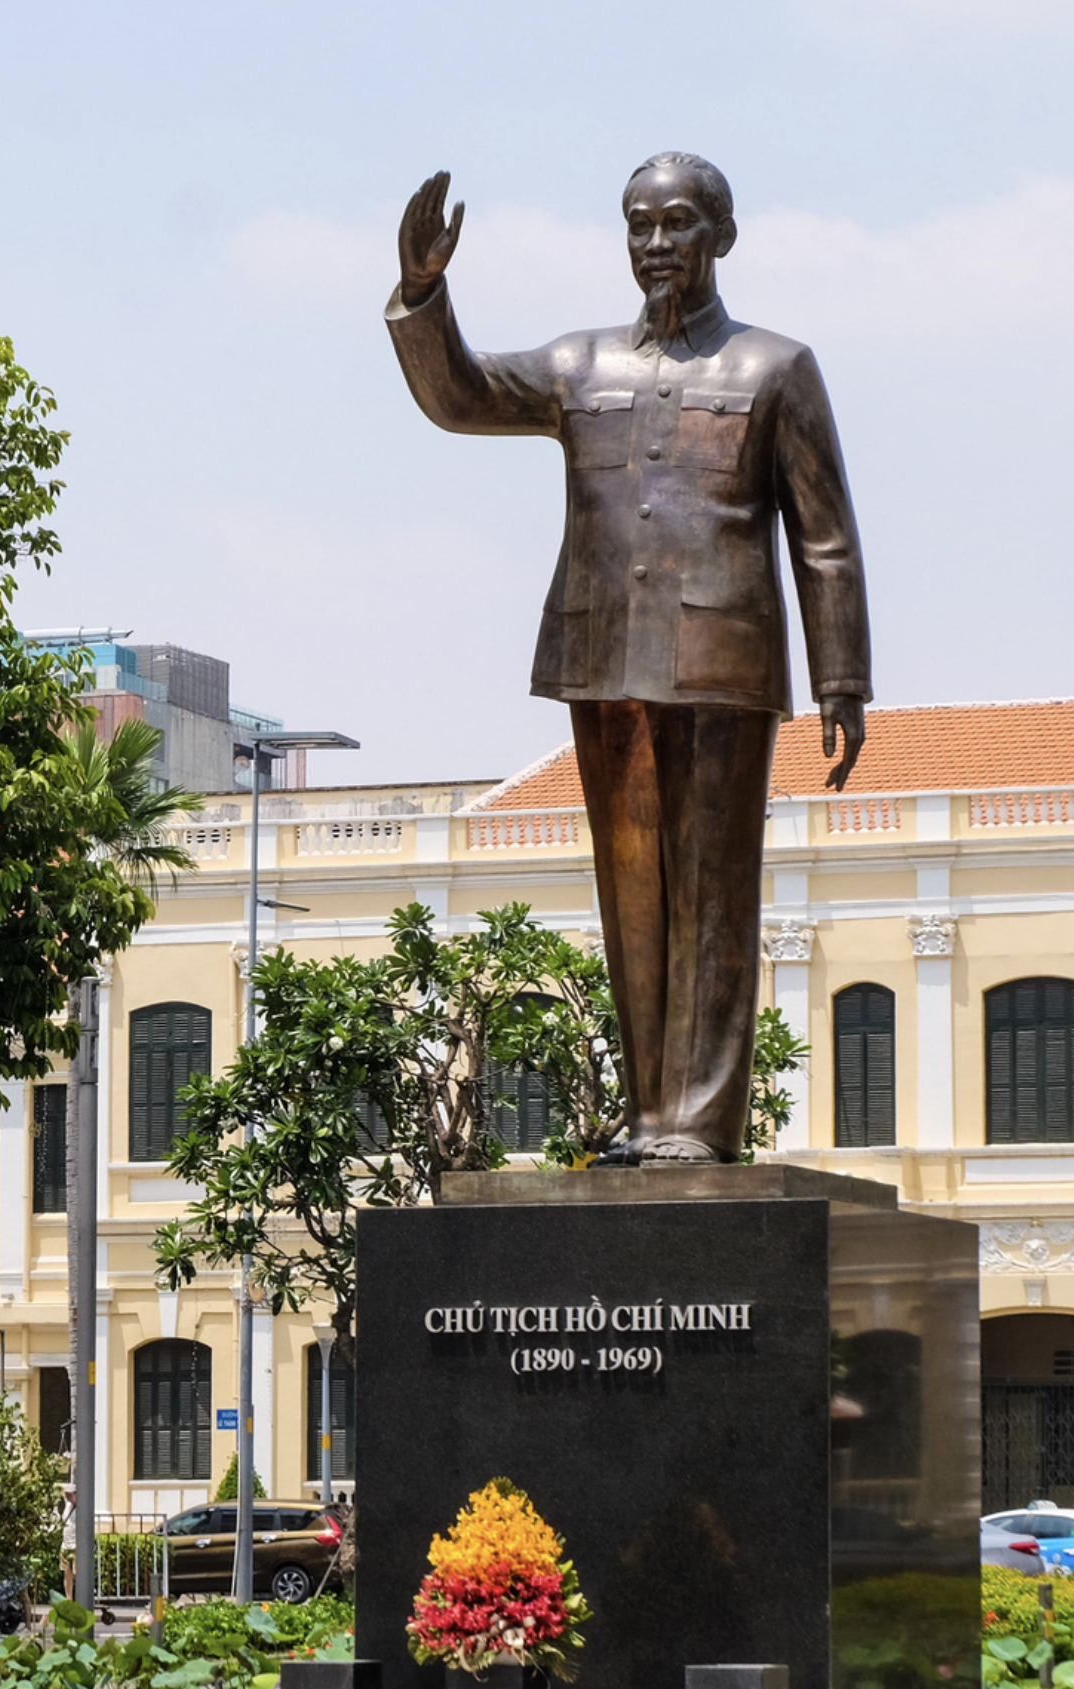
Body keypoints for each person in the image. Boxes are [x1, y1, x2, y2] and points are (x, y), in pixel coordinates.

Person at [385, 153, 871, 1163]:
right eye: (639, 226)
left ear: (721, 236)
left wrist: (841, 680)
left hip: (723, 661)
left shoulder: (773, 368)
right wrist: (423, 296)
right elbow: (461, 396)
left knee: (713, 898)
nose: (656, 245)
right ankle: (651, 1116)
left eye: (677, 223)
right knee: (634, 895)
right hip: (602, 659)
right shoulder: (579, 365)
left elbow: (822, 536)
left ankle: (701, 1120)